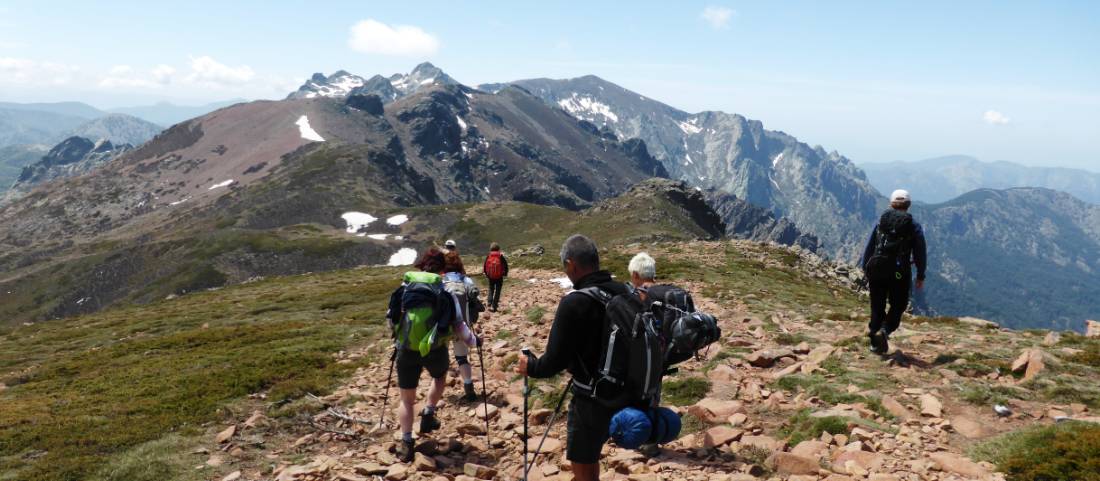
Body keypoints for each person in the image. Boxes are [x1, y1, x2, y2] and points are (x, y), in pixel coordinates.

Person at [516, 235, 628, 481]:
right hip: (627, 393)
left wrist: (530, 366)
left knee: (583, 461)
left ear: (571, 265)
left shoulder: (574, 302)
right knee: (593, 456)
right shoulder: (626, 292)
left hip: (591, 398)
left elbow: (553, 362)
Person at [385, 247, 481, 462]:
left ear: (421, 265)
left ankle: (407, 442)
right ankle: (428, 413)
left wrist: (398, 337)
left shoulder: (405, 287)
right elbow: (459, 325)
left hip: (406, 350)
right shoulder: (443, 291)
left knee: (406, 400)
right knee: (439, 377)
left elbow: (390, 317)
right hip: (435, 349)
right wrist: (475, 342)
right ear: (442, 268)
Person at [861, 189, 927, 355]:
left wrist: (865, 268)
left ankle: (874, 342)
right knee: (898, 304)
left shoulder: (881, 222)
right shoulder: (913, 226)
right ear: (908, 205)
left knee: (877, 304)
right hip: (899, 273)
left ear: (891, 204)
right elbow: (920, 252)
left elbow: (870, 247)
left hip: (876, 269)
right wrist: (920, 275)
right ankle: (885, 329)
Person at [442, 250, 485, 402]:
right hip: (462, 325)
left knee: (442, 357)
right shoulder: (465, 280)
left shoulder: (441, 280)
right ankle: (469, 388)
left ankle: (437, 392)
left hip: (443, 327)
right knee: (462, 358)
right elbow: (475, 295)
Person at [483, 242, 509, 312]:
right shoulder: (500, 256)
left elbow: (485, 266)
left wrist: (487, 274)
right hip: (499, 277)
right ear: (498, 248)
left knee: (491, 289)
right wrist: (505, 274)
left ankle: (489, 303)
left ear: (491, 248)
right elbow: (505, 265)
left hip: (491, 276)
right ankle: (494, 306)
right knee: (498, 291)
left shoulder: (489, 256)